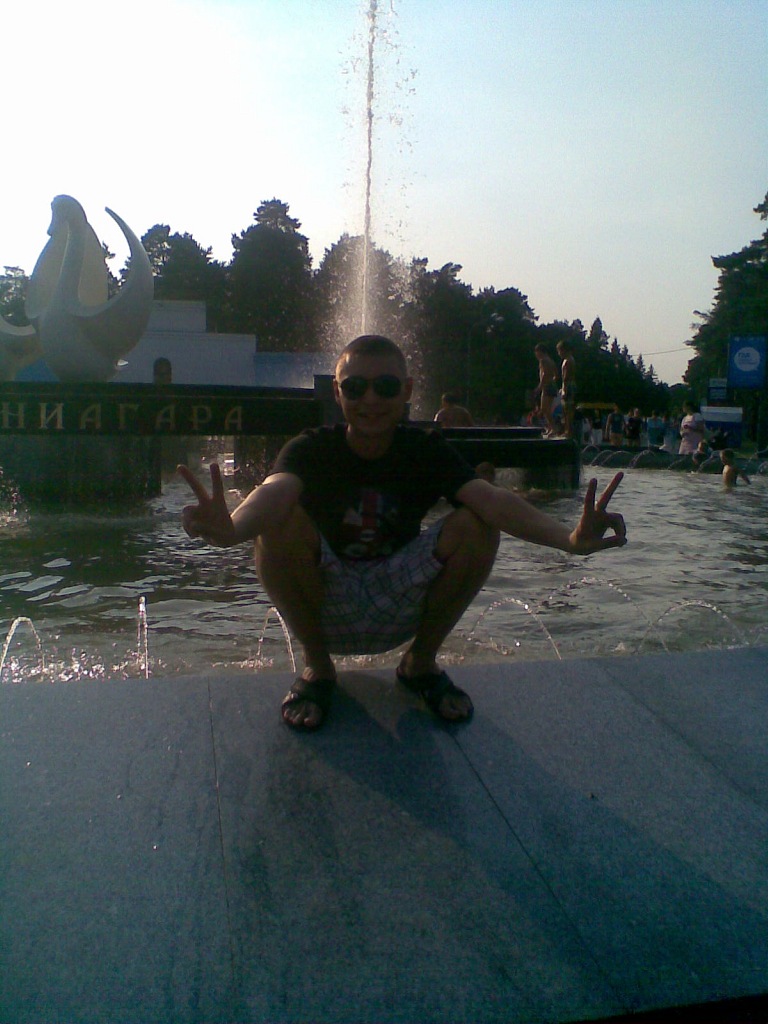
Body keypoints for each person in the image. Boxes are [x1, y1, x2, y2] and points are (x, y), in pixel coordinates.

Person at [179, 335, 627, 732]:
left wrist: (568, 539)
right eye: (355, 387)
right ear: (338, 393)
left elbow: (492, 501)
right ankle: (318, 667)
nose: (370, 399)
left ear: (408, 391)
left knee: (477, 523)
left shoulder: (425, 449)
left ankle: (419, 663)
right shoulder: (311, 447)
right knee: (277, 525)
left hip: (400, 598)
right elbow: (274, 493)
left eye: (386, 387)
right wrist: (233, 527)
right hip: (322, 601)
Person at [532, 344, 558, 436]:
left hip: (547, 386)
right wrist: (552, 380)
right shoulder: (550, 360)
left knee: (545, 409)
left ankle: (553, 428)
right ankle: (550, 428)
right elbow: (556, 373)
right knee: (547, 409)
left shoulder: (543, 360)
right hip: (551, 384)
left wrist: (540, 386)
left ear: (540, 351)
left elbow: (544, 374)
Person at [556, 339, 576, 438]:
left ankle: (568, 431)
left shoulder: (568, 361)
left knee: (567, 410)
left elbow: (566, 377)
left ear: (563, 350)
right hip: (569, 385)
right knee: (566, 410)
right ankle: (567, 430)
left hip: (568, 386)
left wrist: (564, 389)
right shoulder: (569, 360)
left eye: (559, 351)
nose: (559, 353)